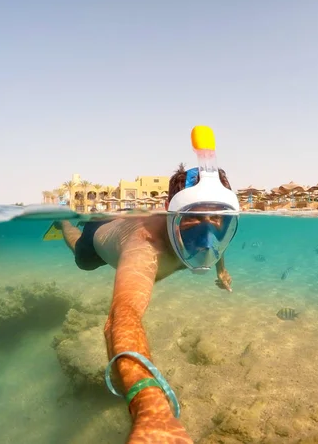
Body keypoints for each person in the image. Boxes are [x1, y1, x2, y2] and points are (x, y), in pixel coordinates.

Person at [53, 126, 240, 443]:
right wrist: (153, 410)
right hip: (98, 239)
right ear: (171, 213)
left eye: (218, 215)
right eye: (194, 216)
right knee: (78, 252)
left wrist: (221, 271)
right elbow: (121, 317)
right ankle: (62, 220)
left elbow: (216, 245)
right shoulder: (145, 246)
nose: (207, 232)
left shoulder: (212, 231)